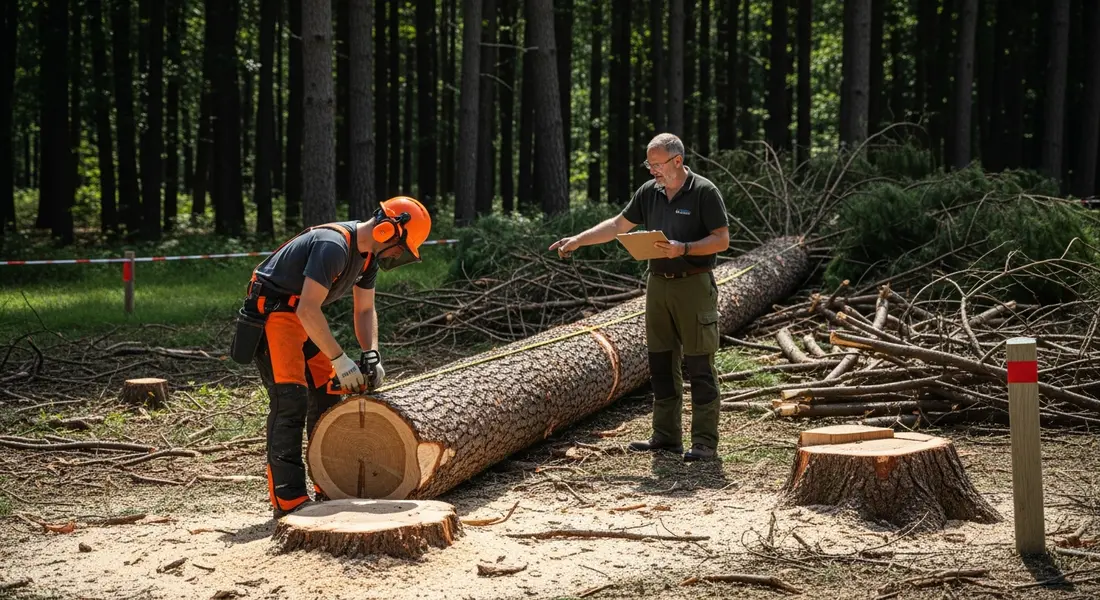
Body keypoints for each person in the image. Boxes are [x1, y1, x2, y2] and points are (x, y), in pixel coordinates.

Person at [230, 196, 432, 517]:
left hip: (303, 316)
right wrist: (339, 359)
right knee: (291, 400)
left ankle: (329, 482)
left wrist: (371, 354)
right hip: (275, 312)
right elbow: (307, 307)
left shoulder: (368, 259)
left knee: (327, 396)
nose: (397, 254)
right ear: (385, 230)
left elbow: (365, 309)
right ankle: (289, 497)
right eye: (401, 247)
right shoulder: (334, 245)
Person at [549, 133, 729, 462]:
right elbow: (618, 224)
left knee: (700, 364)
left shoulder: (704, 192)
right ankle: (666, 437)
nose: (652, 171)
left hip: (694, 283)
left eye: (657, 164)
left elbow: (721, 239)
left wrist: (684, 249)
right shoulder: (649, 193)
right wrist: (579, 239)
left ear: (677, 161)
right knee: (660, 362)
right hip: (657, 284)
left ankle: (705, 442)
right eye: (649, 164)